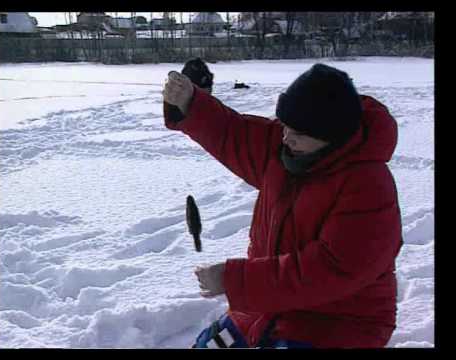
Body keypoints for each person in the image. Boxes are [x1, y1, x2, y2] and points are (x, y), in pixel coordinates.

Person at [162, 63, 403, 348]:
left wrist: (235, 280)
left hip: (339, 322)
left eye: (298, 133)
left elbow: (328, 271)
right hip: (268, 306)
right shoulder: (284, 149)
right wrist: (190, 102)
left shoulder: (369, 187)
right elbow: (232, 134)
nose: (286, 137)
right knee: (208, 345)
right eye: (285, 126)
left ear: (331, 138)